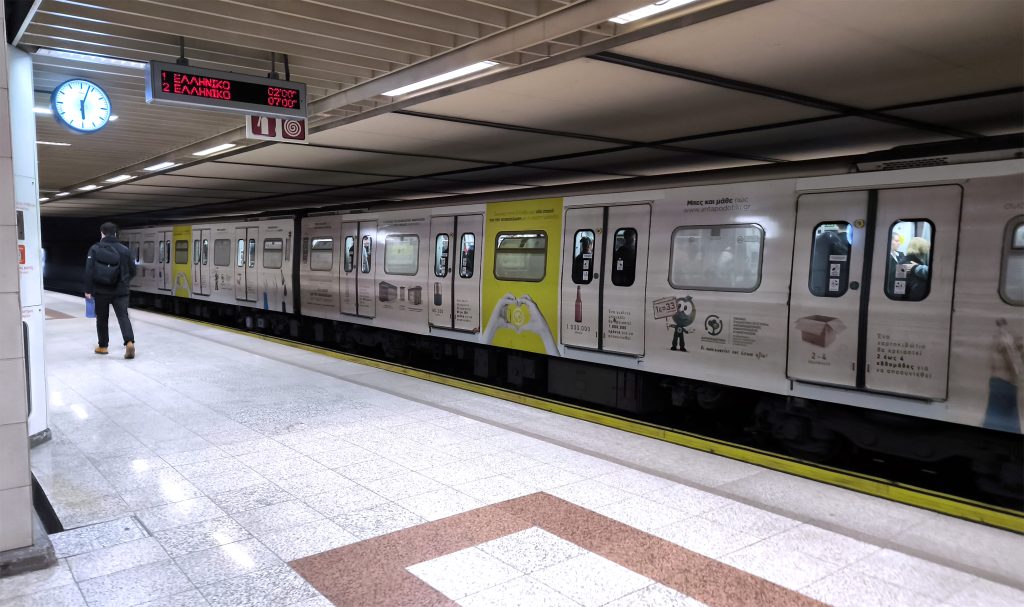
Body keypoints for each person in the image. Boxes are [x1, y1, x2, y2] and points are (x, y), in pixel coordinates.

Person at [84, 222, 137, 358]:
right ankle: (129, 342)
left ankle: (103, 347)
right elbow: (133, 270)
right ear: (115, 233)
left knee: (102, 319)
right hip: (121, 291)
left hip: (101, 290)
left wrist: (88, 289)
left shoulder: (95, 249)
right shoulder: (124, 250)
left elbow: (89, 270)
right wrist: (124, 281)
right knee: (123, 316)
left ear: (102, 233)